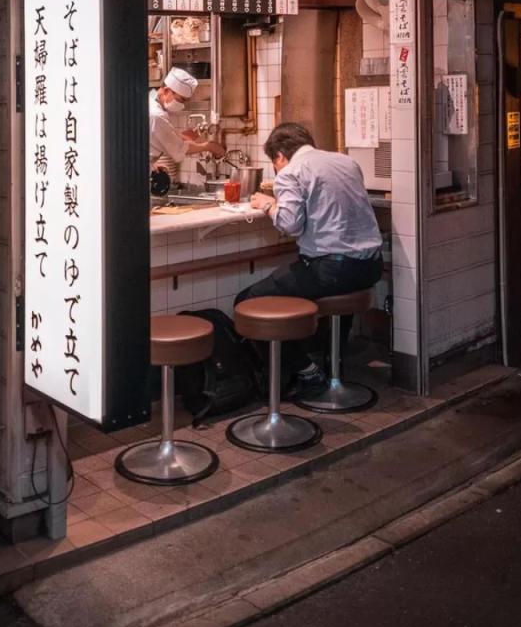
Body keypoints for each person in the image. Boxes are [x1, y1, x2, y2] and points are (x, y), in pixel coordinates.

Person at [236, 122, 383, 395]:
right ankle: (334, 366)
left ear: (280, 155)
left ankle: (307, 371)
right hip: (371, 266)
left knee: (248, 301)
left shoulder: (291, 172)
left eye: (274, 163)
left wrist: (268, 204)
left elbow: (290, 224)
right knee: (340, 295)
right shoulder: (346, 162)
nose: (277, 169)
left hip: (332, 270)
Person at [149, 67, 225, 172]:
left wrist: (152, 163)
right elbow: (180, 149)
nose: (183, 105)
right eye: (182, 100)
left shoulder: (150, 99)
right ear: (166, 91)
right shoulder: (157, 116)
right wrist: (209, 146)